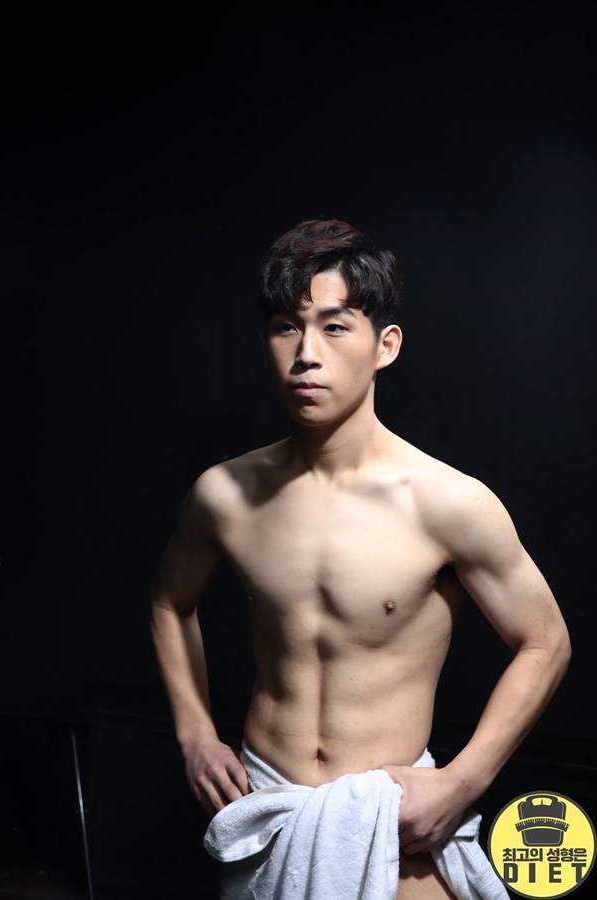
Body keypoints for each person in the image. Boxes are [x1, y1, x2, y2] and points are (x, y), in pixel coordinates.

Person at [149, 218, 571, 899]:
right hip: (267, 808)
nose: (306, 354)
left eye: (335, 327)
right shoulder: (225, 494)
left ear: (385, 346)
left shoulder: (445, 501)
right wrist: (195, 735)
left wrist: (462, 781)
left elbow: (546, 640)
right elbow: (170, 603)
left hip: (389, 818)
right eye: (286, 328)